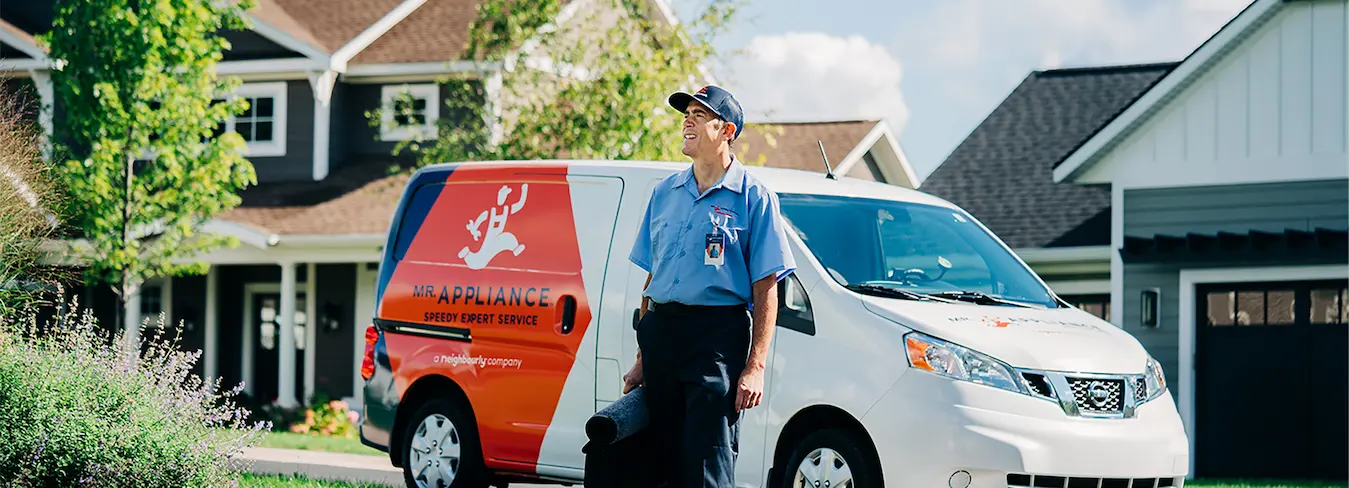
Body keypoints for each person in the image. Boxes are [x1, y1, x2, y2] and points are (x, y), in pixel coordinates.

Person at [623, 84, 797, 487]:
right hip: (661, 335)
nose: (687, 120)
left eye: (700, 115)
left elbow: (766, 286)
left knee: (706, 462)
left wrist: (755, 367)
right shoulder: (664, 192)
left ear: (727, 131)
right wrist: (642, 356)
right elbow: (654, 275)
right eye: (685, 114)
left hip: (715, 340)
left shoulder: (754, 196)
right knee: (659, 459)